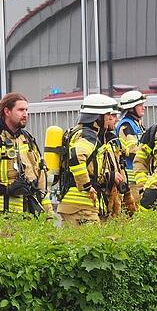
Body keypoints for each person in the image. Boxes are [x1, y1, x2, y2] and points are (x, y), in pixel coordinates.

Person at [0, 93, 52, 216]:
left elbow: (41, 181)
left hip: (31, 216)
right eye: (20, 110)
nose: (25, 114)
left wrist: (49, 215)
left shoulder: (28, 140)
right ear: (7, 111)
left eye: (26, 110)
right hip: (3, 217)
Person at [57, 94, 120, 226]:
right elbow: (76, 156)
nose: (110, 119)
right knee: (92, 244)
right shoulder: (88, 135)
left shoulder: (78, 132)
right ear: (98, 118)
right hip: (81, 204)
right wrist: (86, 185)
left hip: (74, 203)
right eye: (108, 115)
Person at [113, 90, 147, 215]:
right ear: (131, 108)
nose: (143, 107)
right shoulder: (126, 126)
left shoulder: (137, 124)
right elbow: (132, 149)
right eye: (140, 105)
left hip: (138, 177)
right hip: (131, 179)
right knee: (133, 213)